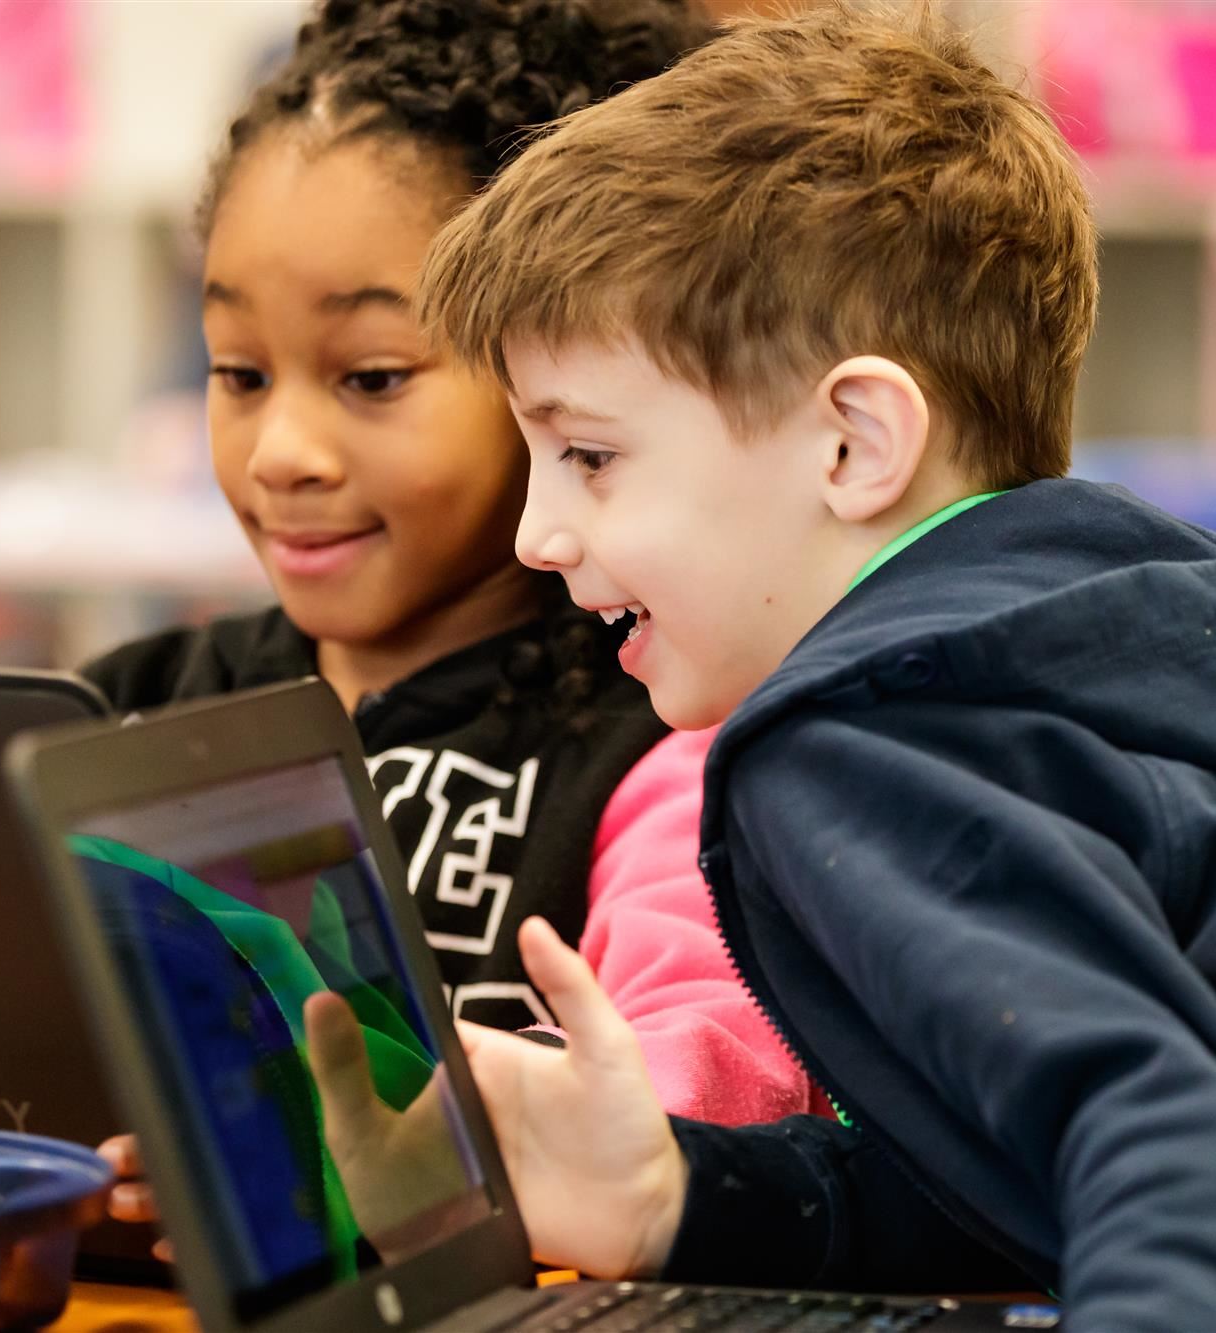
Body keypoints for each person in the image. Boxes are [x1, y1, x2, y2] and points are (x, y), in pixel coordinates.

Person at [386, 4, 1216, 1329]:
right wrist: (678, 1194)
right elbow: (1037, 1159)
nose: (536, 534)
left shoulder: (857, 734)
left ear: (855, 445)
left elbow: (1161, 1126)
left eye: (589, 454)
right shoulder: (1105, 626)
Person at [83, 0, 812, 1184]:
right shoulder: (115, 716)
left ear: (559, 369)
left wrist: (448, 1148)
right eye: (238, 373)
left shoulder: (663, 729)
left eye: (371, 376)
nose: (282, 452)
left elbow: (697, 1068)